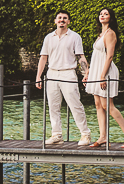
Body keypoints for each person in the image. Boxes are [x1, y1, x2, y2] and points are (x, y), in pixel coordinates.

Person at [34, 10, 92, 146]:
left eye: (65, 18)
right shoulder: (48, 37)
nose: (62, 20)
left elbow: (80, 56)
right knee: (53, 106)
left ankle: (85, 134)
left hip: (68, 73)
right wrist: (38, 77)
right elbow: (43, 57)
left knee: (75, 104)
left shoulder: (75, 37)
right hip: (52, 73)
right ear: (55, 21)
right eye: (59, 18)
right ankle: (57, 135)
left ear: (68, 21)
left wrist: (86, 73)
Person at [86, 6, 124, 148]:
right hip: (97, 71)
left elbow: (110, 56)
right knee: (97, 104)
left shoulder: (110, 34)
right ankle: (103, 137)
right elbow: (96, 56)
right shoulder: (100, 34)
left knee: (107, 105)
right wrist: (89, 72)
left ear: (110, 18)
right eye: (101, 13)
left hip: (105, 72)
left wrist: (102, 76)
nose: (102, 15)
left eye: (106, 14)